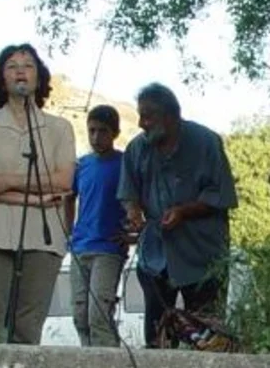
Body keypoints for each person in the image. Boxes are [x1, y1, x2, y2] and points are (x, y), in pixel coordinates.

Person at [0, 43, 76, 344]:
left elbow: (64, 181)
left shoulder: (59, 128)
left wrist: (5, 181)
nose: (20, 70)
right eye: (11, 66)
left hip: (43, 237)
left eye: (28, 65)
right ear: (1, 79)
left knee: (27, 333)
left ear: (40, 77)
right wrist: (36, 198)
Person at [117, 82, 238, 347]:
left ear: (171, 116)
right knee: (157, 338)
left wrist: (183, 212)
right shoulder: (137, 149)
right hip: (155, 258)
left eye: (148, 116)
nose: (141, 123)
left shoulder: (206, 142)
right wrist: (134, 213)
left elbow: (221, 195)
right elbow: (128, 193)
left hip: (202, 256)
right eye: (140, 115)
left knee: (211, 337)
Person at [64, 105, 127, 347]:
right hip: (80, 247)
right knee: (80, 316)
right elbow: (69, 197)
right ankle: (89, 364)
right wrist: (68, 231)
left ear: (115, 133)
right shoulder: (82, 165)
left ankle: (109, 367)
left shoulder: (124, 164)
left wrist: (133, 235)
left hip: (109, 249)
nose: (96, 138)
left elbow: (138, 201)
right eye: (91, 131)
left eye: (102, 131)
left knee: (98, 314)